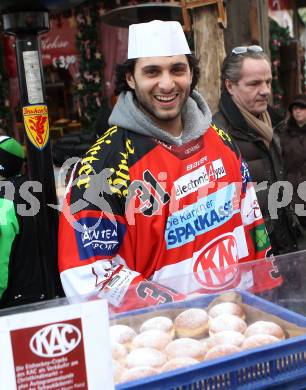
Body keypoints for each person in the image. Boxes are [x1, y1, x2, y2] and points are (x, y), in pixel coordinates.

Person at [58, 21, 281, 311]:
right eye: (152, 71)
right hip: (159, 340)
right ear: (130, 78)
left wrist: (266, 294)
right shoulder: (102, 166)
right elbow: (86, 274)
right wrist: (178, 309)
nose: (167, 83)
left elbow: (251, 222)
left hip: (236, 321)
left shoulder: (220, 141)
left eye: (177, 69)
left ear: (191, 74)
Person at [213, 45, 299, 255]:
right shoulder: (217, 136)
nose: (266, 91)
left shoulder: (273, 125)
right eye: (254, 84)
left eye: (268, 82)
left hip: (285, 246)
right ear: (230, 86)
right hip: (254, 255)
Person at [0, 136, 45, 308]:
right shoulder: (35, 187)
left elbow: (1, 261)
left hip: (12, 303)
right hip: (44, 292)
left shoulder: (4, 200)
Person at [280, 94, 306, 228]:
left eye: (302, 108)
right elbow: (281, 163)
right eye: (295, 108)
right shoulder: (284, 134)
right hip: (295, 191)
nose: (298, 111)